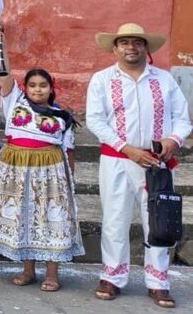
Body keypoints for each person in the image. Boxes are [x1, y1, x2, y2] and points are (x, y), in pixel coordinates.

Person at [85, 23, 191, 308]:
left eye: (137, 42)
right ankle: (112, 276)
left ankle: (158, 282)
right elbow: (95, 119)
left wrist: (173, 140)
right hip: (118, 159)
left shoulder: (164, 80)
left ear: (146, 48)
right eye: (124, 43)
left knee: (159, 220)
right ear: (115, 48)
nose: (131, 47)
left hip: (157, 163)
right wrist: (126, 148)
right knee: (115, 219)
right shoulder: (102, 79)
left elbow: (182, 118)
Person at [0, 65, 83, 292]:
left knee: (52, 218)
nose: (37, 89)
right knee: (23, 217)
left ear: (52, 88)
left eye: (43, 85)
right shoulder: (15, 102)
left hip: (50, 173)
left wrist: (69, 181)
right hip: (17, 171)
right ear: (25, 88)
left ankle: (52, 274)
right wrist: (1, 46)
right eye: (32, 85)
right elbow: (4, 74)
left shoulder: (62, 117)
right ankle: (28, 270)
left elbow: (69, 151)